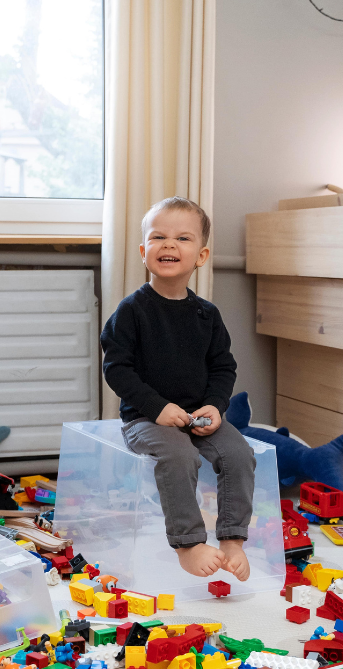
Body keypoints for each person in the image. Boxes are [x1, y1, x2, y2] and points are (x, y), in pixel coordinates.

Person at [99, 196, 255, 580]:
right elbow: (117, 369)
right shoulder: (132, 311)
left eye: (182, 238)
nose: (169, 245)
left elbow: (223, 367)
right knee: (180, 456)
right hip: (145, 419)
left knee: (239, 454)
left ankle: (232, 537)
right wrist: (156, 408)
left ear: (200, 256)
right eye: (158, 237)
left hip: (198, 416)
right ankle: (187, 543)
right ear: (143, 251)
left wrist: (216, 407)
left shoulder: (207, 314)